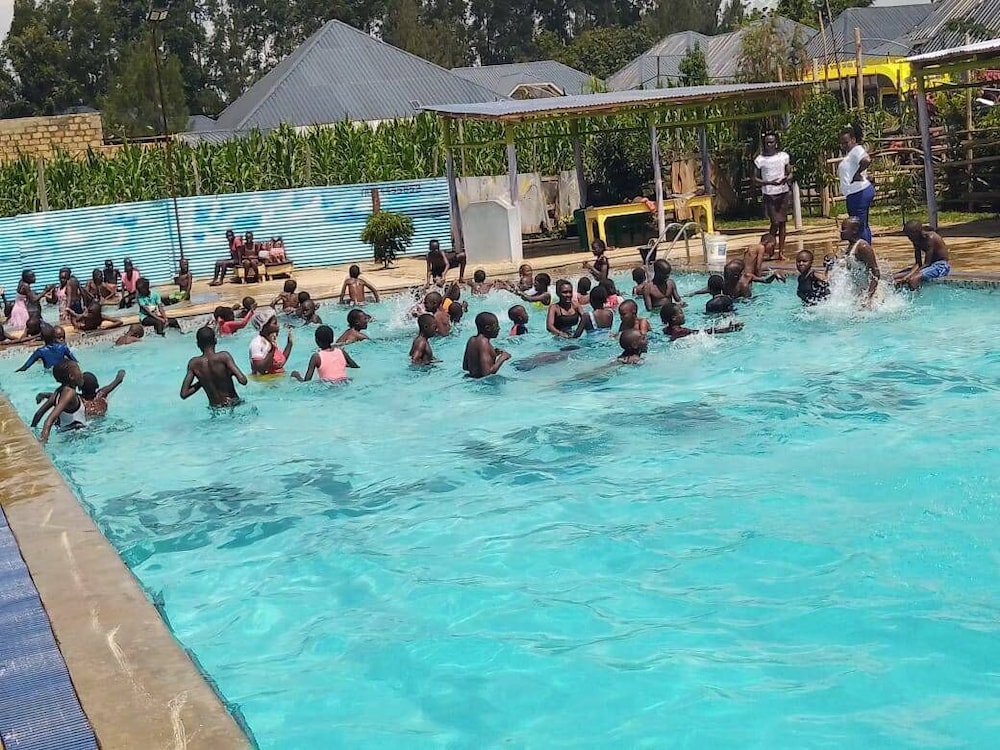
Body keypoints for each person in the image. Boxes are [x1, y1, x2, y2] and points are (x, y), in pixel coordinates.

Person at [180, 326, 247, 407]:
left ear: (198, 344)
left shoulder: (193, 364)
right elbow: (243, 381)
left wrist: (202, 382)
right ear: (215, 341)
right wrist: (231, 373)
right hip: (233, 404)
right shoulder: (224, 357)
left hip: (215, 408)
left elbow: (184, 394)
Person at [753, 131, 793, 259]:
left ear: (776, 143)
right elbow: (755, 179)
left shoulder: (783, 156)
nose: (769, 145)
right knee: (775, 221)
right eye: (767, 143)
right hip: (769, 194)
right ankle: (769, 248)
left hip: (783, 192)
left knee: (782, 222)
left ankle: (781, 252)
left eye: (771, 142)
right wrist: (769, 182)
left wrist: (786, 179)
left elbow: (790, 173)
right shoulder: (760, 160)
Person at [33, 360, 87, 443]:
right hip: (76, 438)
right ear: (71, 376)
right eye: (79, 370)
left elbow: (39, 414)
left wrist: (32, 429)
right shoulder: (70, 392)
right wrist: (43, 441)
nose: (82, 373)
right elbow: (50, 419)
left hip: (64, 436)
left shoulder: (58, 392)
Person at [838, 125, 875, 244]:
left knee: (858, 226)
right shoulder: (851, 154)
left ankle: (864, 249)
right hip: (856, 192)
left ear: (853, 139)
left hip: (858, 192)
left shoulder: (856, 150)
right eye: (842, 143)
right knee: (861, 225)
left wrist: (857, 174)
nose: (844, 146)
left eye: (846, 142)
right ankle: (863, 248)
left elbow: (866, 160)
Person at [894, 220, 951, 290]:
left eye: (910, 235)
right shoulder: (916, 240)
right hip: (929, 266)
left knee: (913, 279)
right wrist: (908, 275)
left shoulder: (930, 238)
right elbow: (918, 263)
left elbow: (927, 263)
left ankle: (916, 296)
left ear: (917, 232)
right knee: (895, 277)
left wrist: (908, 276)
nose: (909, 238)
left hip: (940, 266)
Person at [292, 325, 359, 382]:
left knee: (294, 373)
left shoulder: (316, 357)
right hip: (345, 382)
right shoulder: (341, 351)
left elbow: (307, 381)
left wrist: (297, 376)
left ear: (316, 340)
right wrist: (342, 364)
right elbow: (355, 367)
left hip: (329, 385)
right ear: (332, 339)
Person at [840, 216, 882, 308]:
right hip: (859, 293)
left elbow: (876, 273)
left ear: (854, 230)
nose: (841, 231)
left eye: (844, 229)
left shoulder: (863, 247)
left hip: (871, 294)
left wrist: (868, 297)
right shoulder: (850, 247)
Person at [462, 312, 511, 379]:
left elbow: (465, 367)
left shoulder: (471, 340)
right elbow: (486, 374)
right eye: (496, 326)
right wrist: (502, 358)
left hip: (473, 380)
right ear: (488, 328)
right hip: (483, 383)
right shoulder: (484, 343)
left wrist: (492, 354)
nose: (499, 328)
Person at [660, 302, 743, 341]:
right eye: (681, 313)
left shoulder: (666, 329)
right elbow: (703, 332)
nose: (683, 315)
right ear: (674, 318)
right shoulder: (680, 331)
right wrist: (727, 329)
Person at [9, 270, 53, 339]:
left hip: (18, 307)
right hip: (21, 309)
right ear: (27, 279)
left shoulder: (22, 282)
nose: (35, 278)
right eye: (32, 277)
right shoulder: (26, 286)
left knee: (23, 328)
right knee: (25, 329)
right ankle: (25, 339)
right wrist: (45, 291)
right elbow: (34, 300)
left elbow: (28, 294)